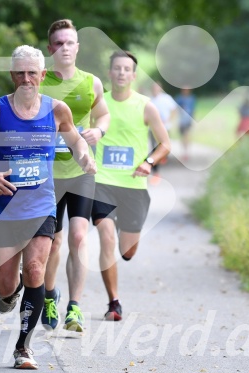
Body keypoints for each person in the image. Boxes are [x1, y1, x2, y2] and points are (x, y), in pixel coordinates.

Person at [0, 45, 96, 369]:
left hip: (41, 205)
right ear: (13, 75)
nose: (26, 78)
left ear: (42, 75)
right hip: (4, 208)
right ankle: (13, 291)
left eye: (32, 73)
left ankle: (23, 348)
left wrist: (84, 155)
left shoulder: (57, 110)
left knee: (36, 269)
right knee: (5, 286)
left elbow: (75, 139)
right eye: (20, 73)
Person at [39, 19, 110, 332]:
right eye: (59, 43)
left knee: (79, 237)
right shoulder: (38, 82)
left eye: (70, 43)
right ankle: (50, 294)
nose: (64, 48)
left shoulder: (91, 82)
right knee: (53, 243)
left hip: (81, 170)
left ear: (77, 47)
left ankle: (74, 307)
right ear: (49, 48)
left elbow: (104, 113)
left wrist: (98, 129)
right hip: (47, 175)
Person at [92, 51, 171, 321]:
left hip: (134, 185)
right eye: (117, 68)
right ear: (110, 73)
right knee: (106, 236)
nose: (122, 73)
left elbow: (166, 144)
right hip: (102, 181)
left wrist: (149, 162)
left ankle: (123, 248)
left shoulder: (146, 106)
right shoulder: (97, 104)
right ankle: (113, 302)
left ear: (134, 75)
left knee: (127, 250)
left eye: (127, 69)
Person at [149, 82, 177, 183]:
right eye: (154, 88)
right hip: (152, 129)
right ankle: (155, 170)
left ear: (160, 88)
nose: (155, 90)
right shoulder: (149, 100)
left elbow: (174, 109)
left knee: (163, 146)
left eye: (157, 88)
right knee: (154, 147)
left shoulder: (166, 98)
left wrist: (169, 120)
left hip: (165, 127)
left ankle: (162, 157)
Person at [174, 87, 196, 160]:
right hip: (181, 120)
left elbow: (193, 109)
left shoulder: (192, 98)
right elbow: (176, 108)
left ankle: (186, 153)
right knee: (183, 137)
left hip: (188, 120)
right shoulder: (179, 98)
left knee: (186, 136)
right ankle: (184, 151)